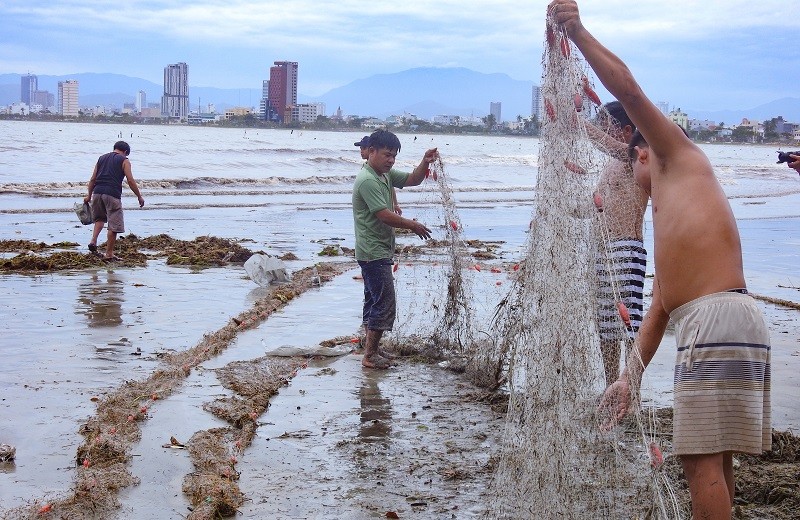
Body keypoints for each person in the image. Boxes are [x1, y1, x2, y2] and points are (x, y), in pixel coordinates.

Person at [550, 2, 771, 518]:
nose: (633, 164)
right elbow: (659, 310)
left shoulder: (678, 156)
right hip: (731, 317)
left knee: (698, 461)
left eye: (635, 155)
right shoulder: (669, 213)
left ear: (647, 148)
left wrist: (577, 31)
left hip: (715, 320)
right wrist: (629, 379)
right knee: (717, 458)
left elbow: (627, 89)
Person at [352, 129, 437, 369]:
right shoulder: (368, 180)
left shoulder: (383, 175)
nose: (390, 160)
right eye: (387, 155)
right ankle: (370, 355)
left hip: (377, 249)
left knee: (373, 300)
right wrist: (413, 225)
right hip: (372, 251)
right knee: (384, 302)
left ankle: (371, 349)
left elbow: (413, 179)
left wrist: (424, 161)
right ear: (371, 152)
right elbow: (384, 215)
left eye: (394, 156)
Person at [591, 101, 649, 386]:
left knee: (628, 327)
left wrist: (578, 124)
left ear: (626, 130)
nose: (602, 136)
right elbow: (594, 203)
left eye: (606, 130)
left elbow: (612, 147)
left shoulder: (635, 156)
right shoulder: (610, 166)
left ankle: (631, 391)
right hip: (603, 251)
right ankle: (610, 384)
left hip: (626, 248)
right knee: (606, 327)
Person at [84, 141, 144, 261]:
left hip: (97, 192)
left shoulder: (101, 158)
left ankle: (93, 241)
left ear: (115, 148)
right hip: (112, 194)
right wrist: (139, 196)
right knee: (114, 225)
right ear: (126, 152)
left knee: (99, 219)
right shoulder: (124, 160)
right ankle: (109, 253)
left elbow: (93, 179)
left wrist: (89, 196)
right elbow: (130, 180)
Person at [355, 135, 402, 215]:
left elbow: (390, 185)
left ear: (371, 150)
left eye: (364, 148)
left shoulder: (381, 168)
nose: (361, 151)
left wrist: (395, 204)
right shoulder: (367, 169)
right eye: (360, 149)